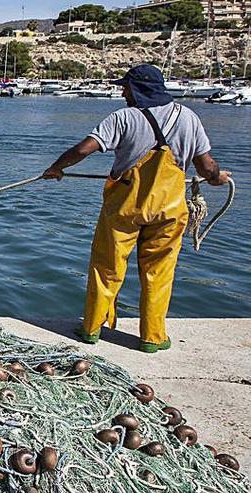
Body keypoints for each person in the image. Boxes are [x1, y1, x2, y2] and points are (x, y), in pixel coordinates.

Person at [42, 64, 231, 353]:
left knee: (106, 267)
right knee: (159, 273)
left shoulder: (123, 118)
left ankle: (91, 328)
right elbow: (206, 167)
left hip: (124, 209)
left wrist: (56, 167)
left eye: (126, 86)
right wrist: (218, 179)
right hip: (169, 211)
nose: (122, 91)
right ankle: (152, 338)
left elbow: (83, 149)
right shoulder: (189, 118)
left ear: (138, 88)